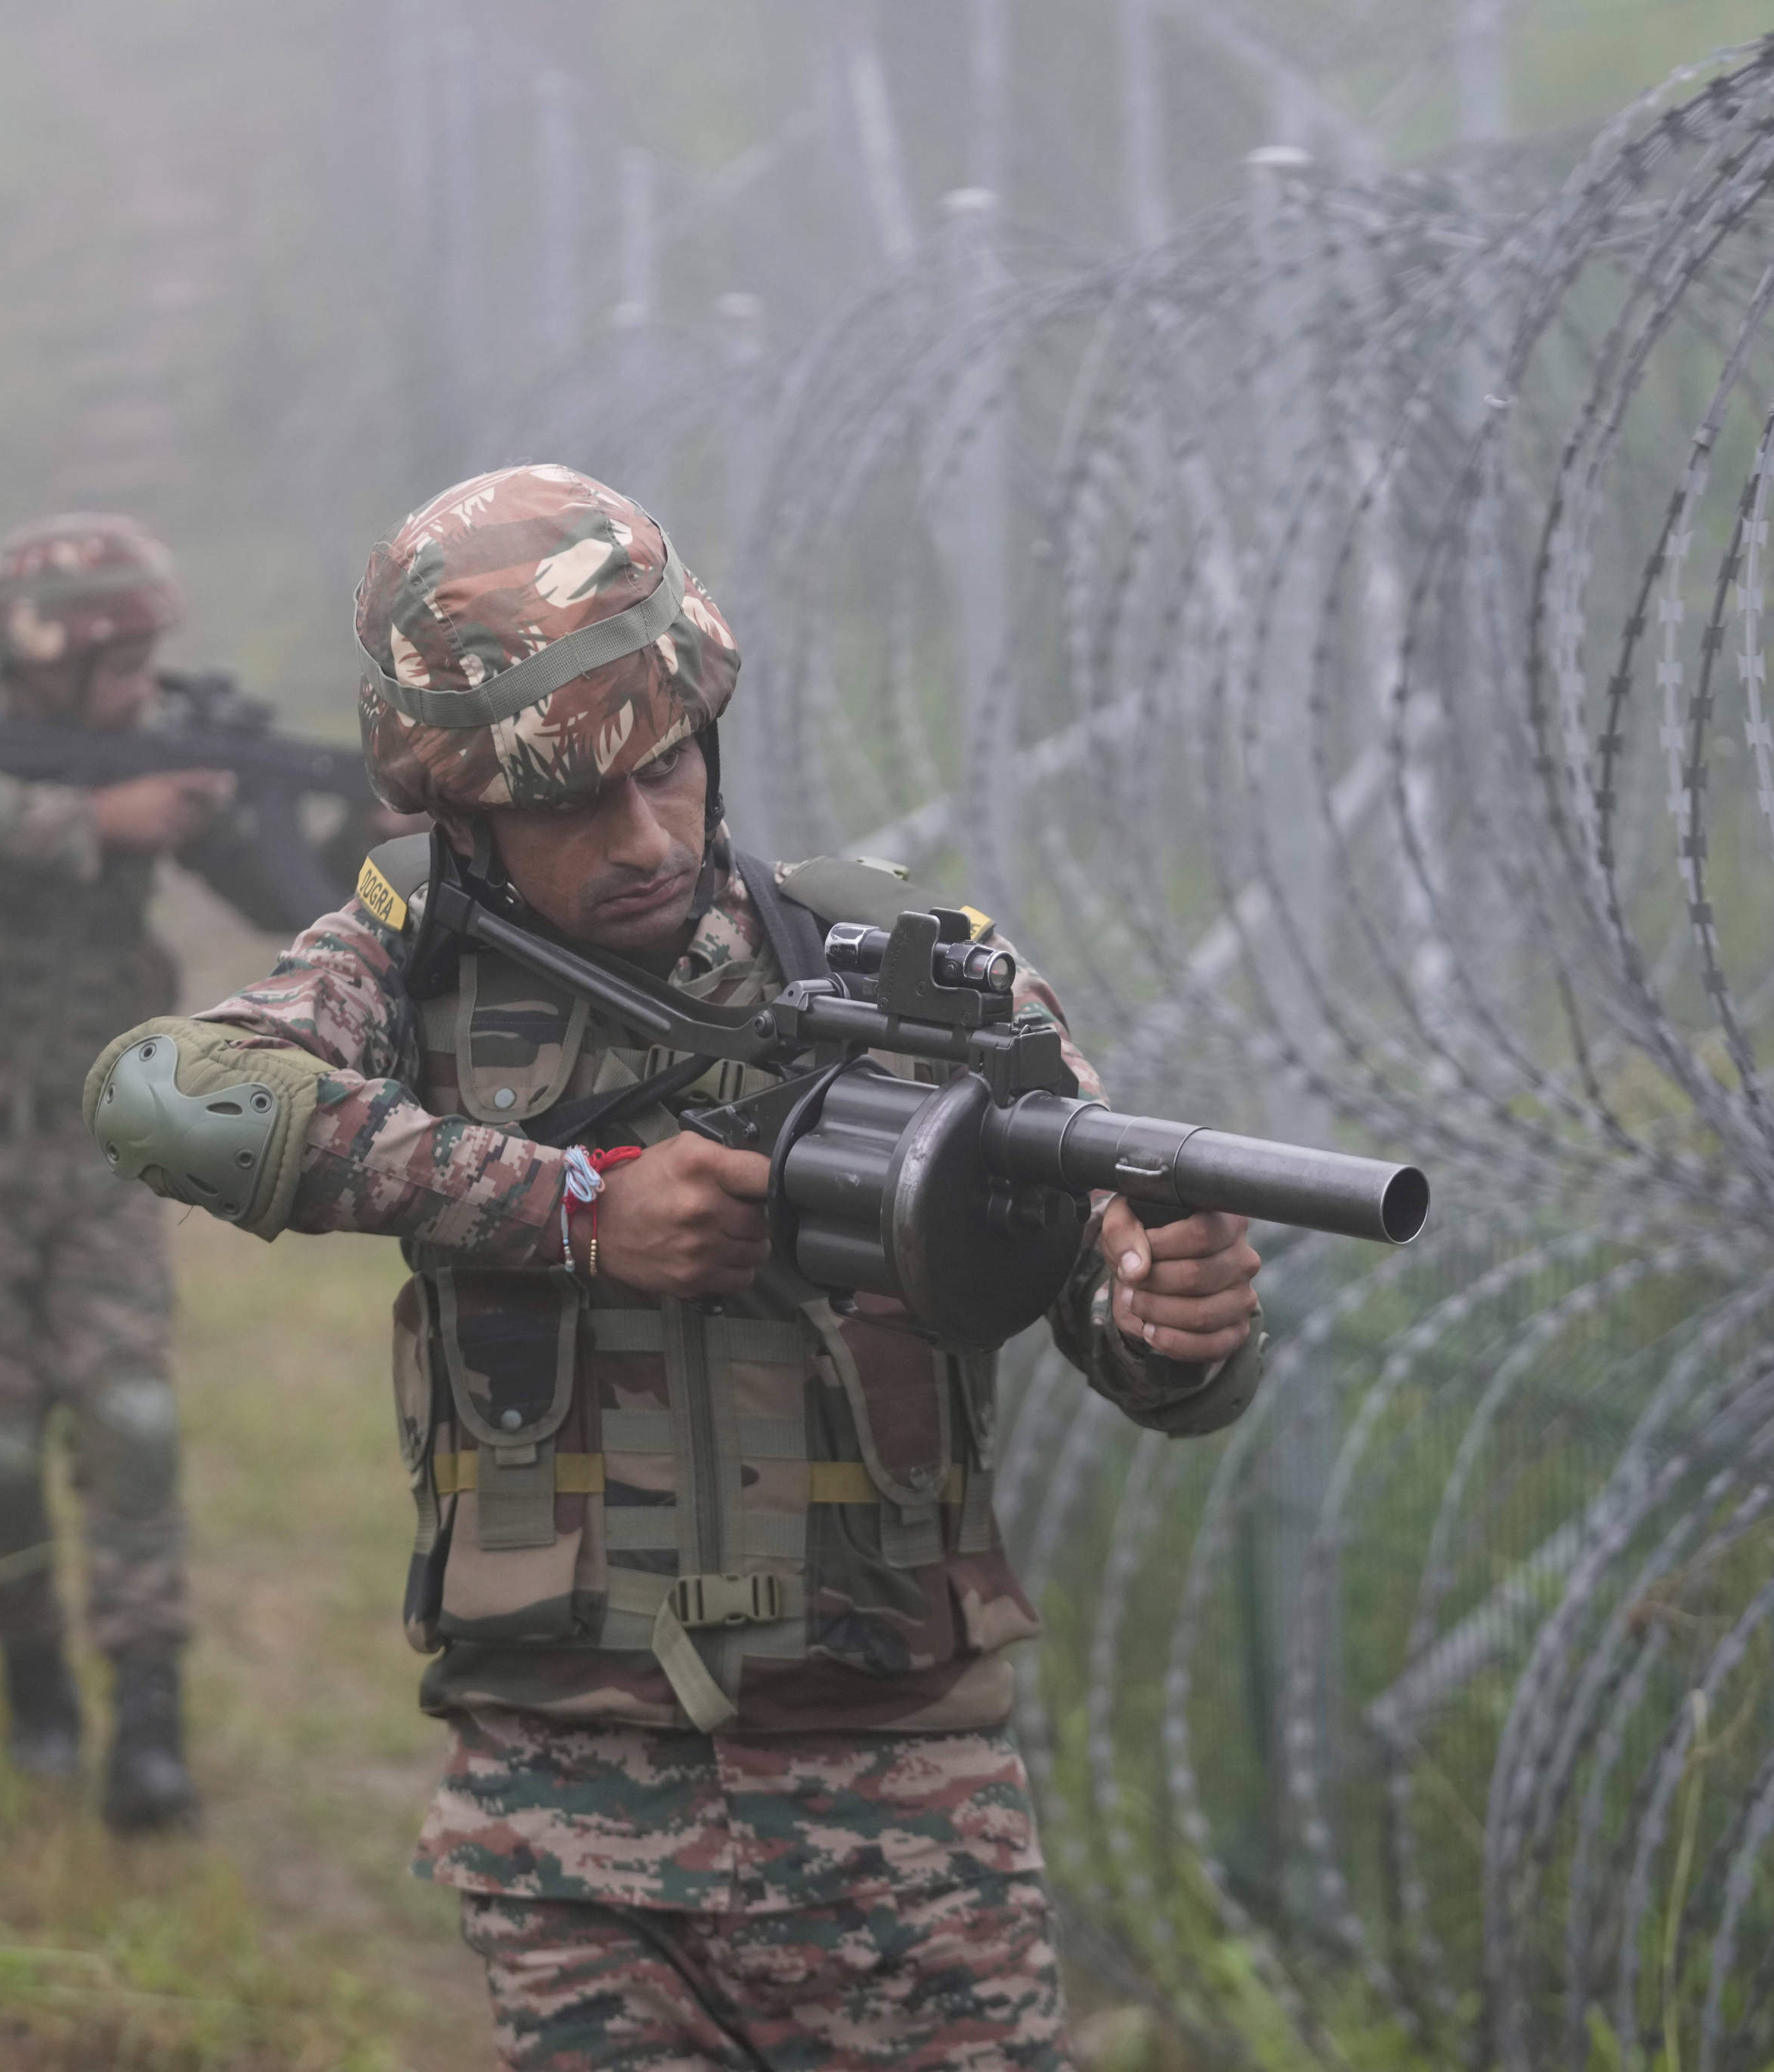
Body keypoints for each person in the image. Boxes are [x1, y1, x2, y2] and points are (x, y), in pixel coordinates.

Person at [81, 465, 1269, 2065]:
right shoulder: (410, 954)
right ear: (460, 808)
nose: (643, 833)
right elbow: (166, 1098)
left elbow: (1113, 1291)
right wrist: (572, 1206)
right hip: (565, 1813)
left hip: (899, 1810)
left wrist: (1171, 1324)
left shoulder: (907, 971)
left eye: (665, 769)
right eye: (574, 798)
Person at [0, 512, 232, 1833]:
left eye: (150, 661)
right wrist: (96, 815)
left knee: (133, 1419)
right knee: (1, 1441)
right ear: (48, 653)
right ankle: (31, 1675)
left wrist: (244, 816)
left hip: (101, 1146)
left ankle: (147, 1720)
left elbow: (265, 881)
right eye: (119, 661)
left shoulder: (158, 738)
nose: (143, 686)